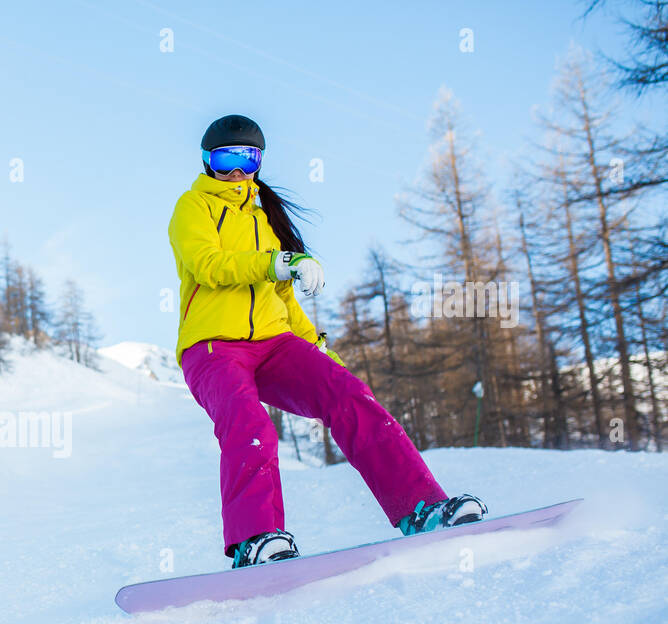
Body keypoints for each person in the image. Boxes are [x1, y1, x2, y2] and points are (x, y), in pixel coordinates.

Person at [168, 114, 486, 568]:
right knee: (249, 426)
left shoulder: (266, 218)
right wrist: (278, 261)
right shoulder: (192, 207)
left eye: (248, 158)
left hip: (275, 344)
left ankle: (422, 508)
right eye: (226, 158)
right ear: (206, 161)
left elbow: (283, 301)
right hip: (213, 347)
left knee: (349, 394)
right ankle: (256, 541)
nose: (237, 170)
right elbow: (209, 265)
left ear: (259, 162)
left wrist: (315, 346)